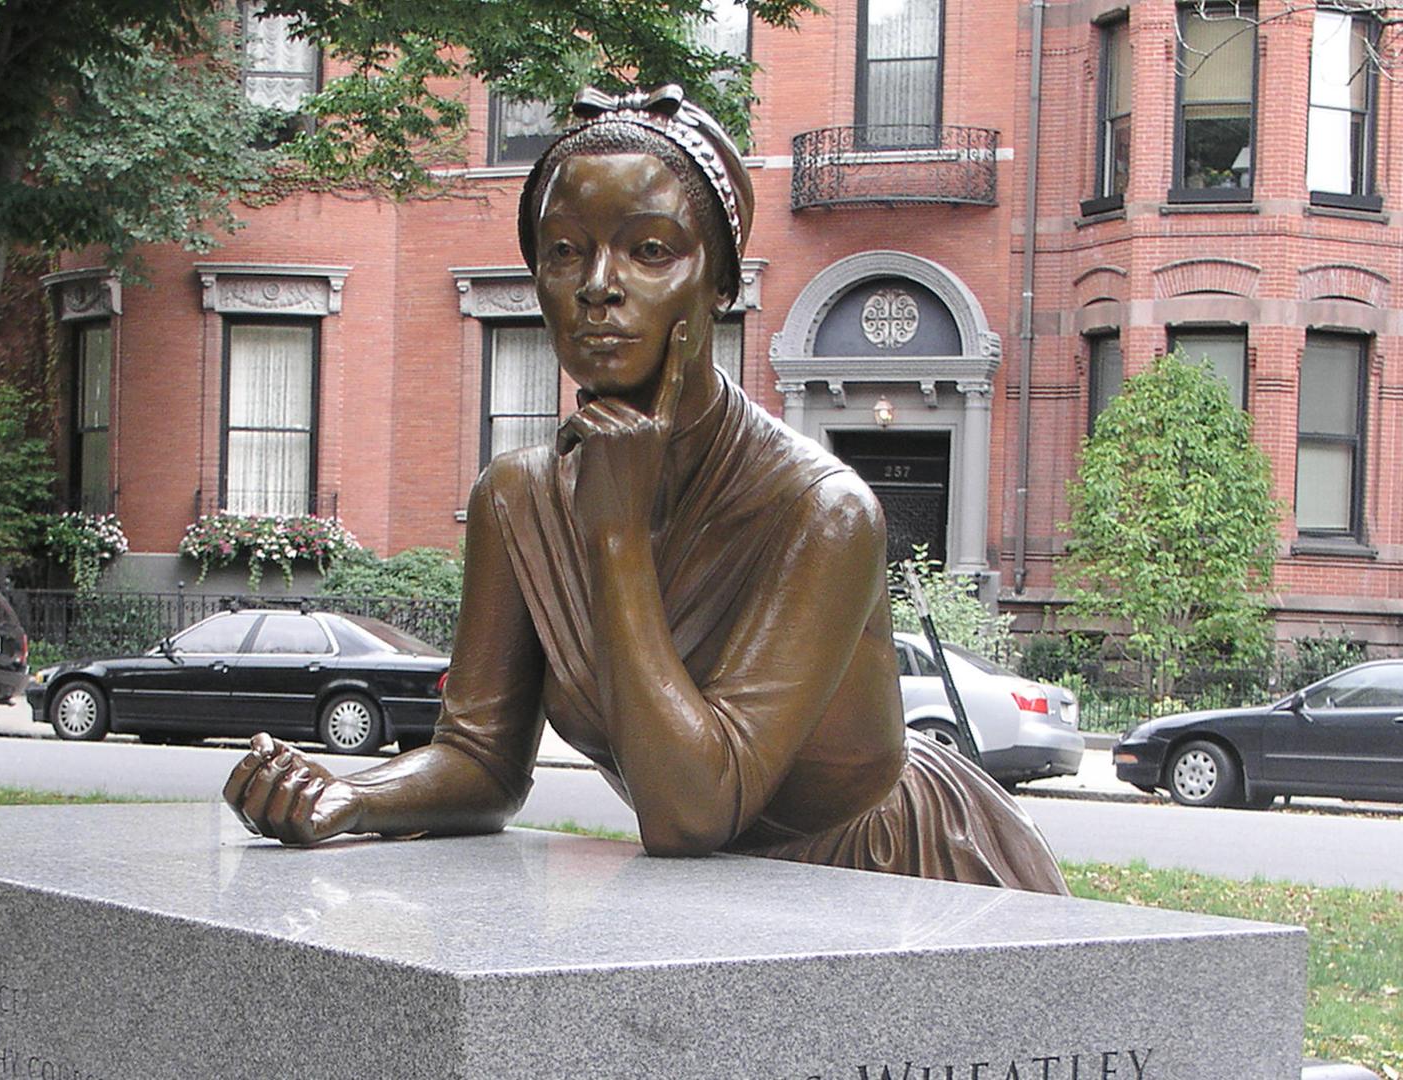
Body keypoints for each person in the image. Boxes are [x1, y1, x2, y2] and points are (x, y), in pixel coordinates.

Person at [224, 86, 1067, 893]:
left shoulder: (822, 510)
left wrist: (617, 535)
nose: (599, 283)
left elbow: (690, 812)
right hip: (707, 885)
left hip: (885, 873)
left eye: (650, 250)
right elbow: (482, 760)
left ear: (720, 283)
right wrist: (349, 796)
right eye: (564, 251)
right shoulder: (516, 497)